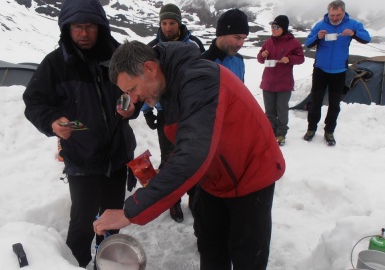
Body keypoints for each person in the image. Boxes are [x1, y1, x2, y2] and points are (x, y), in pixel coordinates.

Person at [94, 40, 286, 270]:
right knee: (211, 246)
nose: (133, 99)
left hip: (250, 174)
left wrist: (129, 211)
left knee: (247, 255)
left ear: (149, 68)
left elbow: (192, 153)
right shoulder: (169, 84)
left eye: (132, 89)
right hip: (214, 177)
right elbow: (187, 141)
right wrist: (165, 172)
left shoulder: (199, 80)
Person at [22, 0, 140, 268]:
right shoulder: (55, 64)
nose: (84, 33)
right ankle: (74, 264)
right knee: (82, 223)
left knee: (112, 220)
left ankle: (106, 262)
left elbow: (139, 89)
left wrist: (133, 107)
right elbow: (34, 102)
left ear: (101, 27)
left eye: (89, 26)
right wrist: (52, 121)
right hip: (81, 157)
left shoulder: (120, 58)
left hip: (117, 156)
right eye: (77, 27)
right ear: (66, 28)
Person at [143, 3, 206, 223]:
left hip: (192, 111)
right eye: (164, 23)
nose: (168, 27)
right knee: (170, 159)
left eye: (172, 23)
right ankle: (174, 202)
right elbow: (144, 81)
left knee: (195, 156)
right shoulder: (152, 49)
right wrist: (147, 111)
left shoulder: (195, 45)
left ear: (179, 23)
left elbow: (205, 75)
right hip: (166, 113)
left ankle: (195, 200)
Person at [303, 0, 370, 146]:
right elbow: (307, 43)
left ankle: (329, 131)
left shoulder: (352, 24)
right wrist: (317, 37)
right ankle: (311, 129)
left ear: (343, 12)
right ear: (328, 13)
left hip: (339, 71)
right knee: (316, 102)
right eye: (332, 15)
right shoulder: (321, 25)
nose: (334, 17)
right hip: (320, 69)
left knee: (334, 104)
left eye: (338, 15)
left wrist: (353, 33)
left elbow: (367, 38)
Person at [257, 15, 305, 146]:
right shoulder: (268, 42)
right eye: (272, 27)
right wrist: (262, 55)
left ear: (283, 28)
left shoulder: (293, 42)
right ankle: (270, 132)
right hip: (268, 82)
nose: (273, 29)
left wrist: (289, 59)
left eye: (276, 27)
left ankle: (281, 134)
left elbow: (301, 58)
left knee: (282, 111)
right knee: (269, 111)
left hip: (284, 84)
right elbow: (259, 59)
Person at [201, 8, 249, 82]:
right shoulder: (203, 63)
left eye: (244, 38)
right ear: (221, 34)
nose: (240, 44)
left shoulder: (239, 60)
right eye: (237, 37)